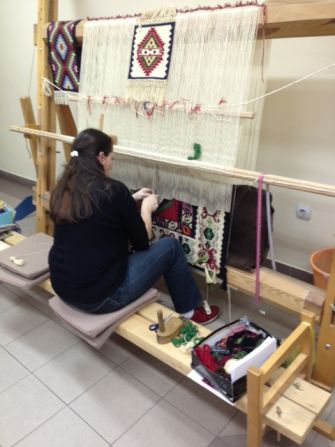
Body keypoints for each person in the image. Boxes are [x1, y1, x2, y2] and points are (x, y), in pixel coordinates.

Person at [48, 128, 220, 324]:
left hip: (62, 286)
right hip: (100, 299)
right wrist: (145, 210)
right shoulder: (114, 190)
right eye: (112, 158)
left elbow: (94, 212)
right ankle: (191, 312)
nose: (111, 165)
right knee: (170, 247)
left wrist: (129, 199)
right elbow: (142, 244)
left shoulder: (63, 188)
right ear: (101, 156)